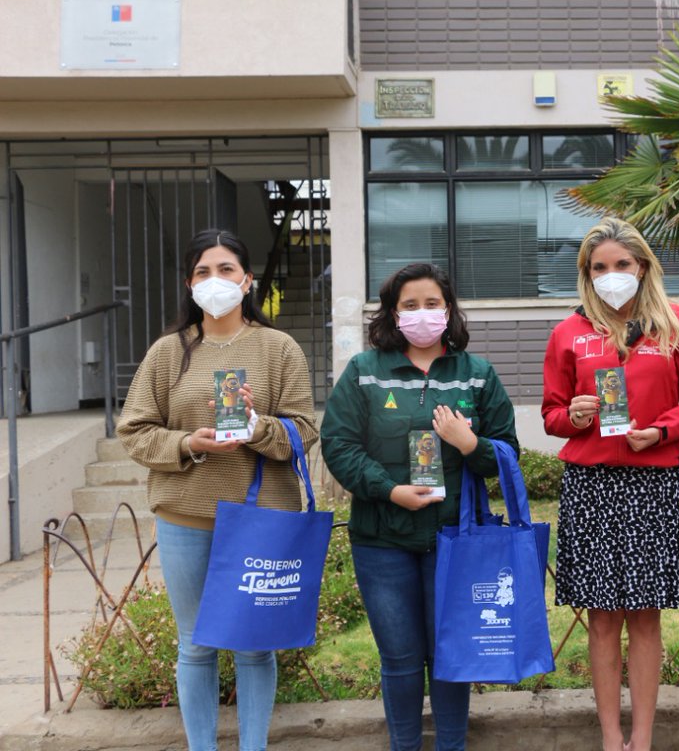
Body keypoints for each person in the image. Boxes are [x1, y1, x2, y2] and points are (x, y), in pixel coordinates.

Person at [117, 228, 317, 751]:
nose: (215, 280)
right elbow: (134, 429)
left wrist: (256, 427)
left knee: (254, 646)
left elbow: (304, 430)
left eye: (226, 269)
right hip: (185, 517)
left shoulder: (279, 349)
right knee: (196, 644)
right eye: (203, 271)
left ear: (248, 280)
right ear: (189, 284)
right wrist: (189, 443)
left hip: (261, 518)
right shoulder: (167, 353)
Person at [320, 262, 518, 751]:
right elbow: (339, 445)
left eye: (432, 304)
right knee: (402, 659)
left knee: (450, 653)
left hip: (455, 540)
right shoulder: (365, 372)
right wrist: (389, 490)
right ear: (393, 313)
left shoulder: (476, 374)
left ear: (448, 310)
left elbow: (506, 454)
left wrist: (470, 443)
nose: (422, 314)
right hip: (382, 539)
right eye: (410, 305)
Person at [541, 217, 679, 751]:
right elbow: (551, 414)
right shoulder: (567, 333)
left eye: (621, 265)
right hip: (591, 485)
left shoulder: (676, 324)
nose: (611, 275)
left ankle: (641, 739)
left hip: (651, 484)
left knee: (644, 618)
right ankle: (609, 737)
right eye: (599, 267)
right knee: (601, 620)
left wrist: (663, 430)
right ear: (585, 274)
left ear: (642, 267)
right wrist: (572, 415)